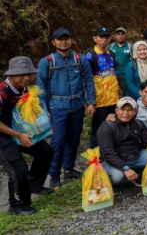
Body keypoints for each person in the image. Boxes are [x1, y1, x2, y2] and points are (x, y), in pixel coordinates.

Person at [37, 28, 96, 189]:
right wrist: (44, 110)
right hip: (56, 108)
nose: (63, 41)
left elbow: (89, 80)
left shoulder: (80, 59)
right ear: (53, 42)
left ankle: (68, 169)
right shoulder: (47, 62)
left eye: (66, 38)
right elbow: (41, 88)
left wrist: (91, 102)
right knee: (58, 140)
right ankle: (54, 173)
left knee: (74, 138)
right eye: (59, 39)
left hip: (77, 106)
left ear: (71, 40)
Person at [0, 57, 54, 215]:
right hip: (4, 135)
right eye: (21, 74)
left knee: (45, 152)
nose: (26, 77)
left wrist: (42, 120)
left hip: (20, 130)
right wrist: (18, 135)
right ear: (11, 74)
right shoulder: (2, 91)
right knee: (18, 168)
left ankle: (34, 185)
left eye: (28, 73)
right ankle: (15, 205)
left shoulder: (25, 88)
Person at [98, 97, 147, 189]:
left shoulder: (138, 124)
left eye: (130, 110)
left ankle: (137, 175)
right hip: (113, 162)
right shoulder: (107, 127)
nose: (126, 113)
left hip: (135, 157)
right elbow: (108, 153)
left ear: (135, 111)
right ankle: (108, 183)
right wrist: (125, 169)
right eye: (122, 109)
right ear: (116, 110)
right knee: (118, 177)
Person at [86, 27, 119, 148]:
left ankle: (109, 153)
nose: (104, 40)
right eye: (101, 37)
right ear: (95, 38)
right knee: (98, 129)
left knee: (113, 127)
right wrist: (90, 102)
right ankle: (95, 157)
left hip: (113, 99)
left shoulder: (111, 54)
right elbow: (87, 79)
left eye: (106, 37)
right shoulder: (90, 56)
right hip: (100, 100)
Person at [109, 27, 131, 95]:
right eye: (118, 34)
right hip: (113, 75)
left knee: (126, 94)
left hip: (126, 75)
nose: (120, 36)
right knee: (113, 94)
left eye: (122, 34)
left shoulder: (130, 46)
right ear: (115, 35)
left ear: (126, 35)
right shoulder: (110, 47)